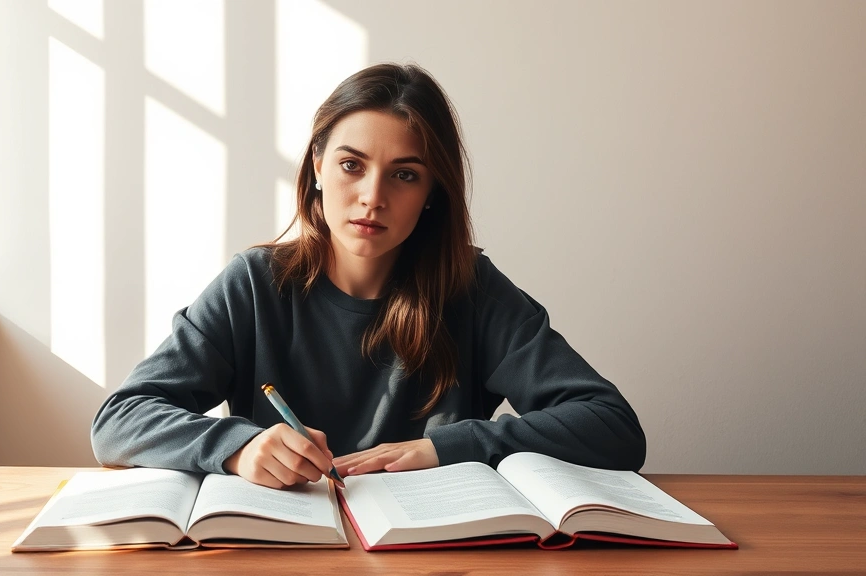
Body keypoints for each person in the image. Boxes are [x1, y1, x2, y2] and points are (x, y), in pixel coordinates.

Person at [91, 63, 645, 490]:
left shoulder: (471, 288)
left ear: (432, 195)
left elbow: (612, 426)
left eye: (405, 175)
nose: (372, 198)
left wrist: (448, 447)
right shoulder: (253, 285)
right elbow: (118, 421)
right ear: (316, 168)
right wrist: (238, 447)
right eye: (351, 165)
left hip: (436, 556)